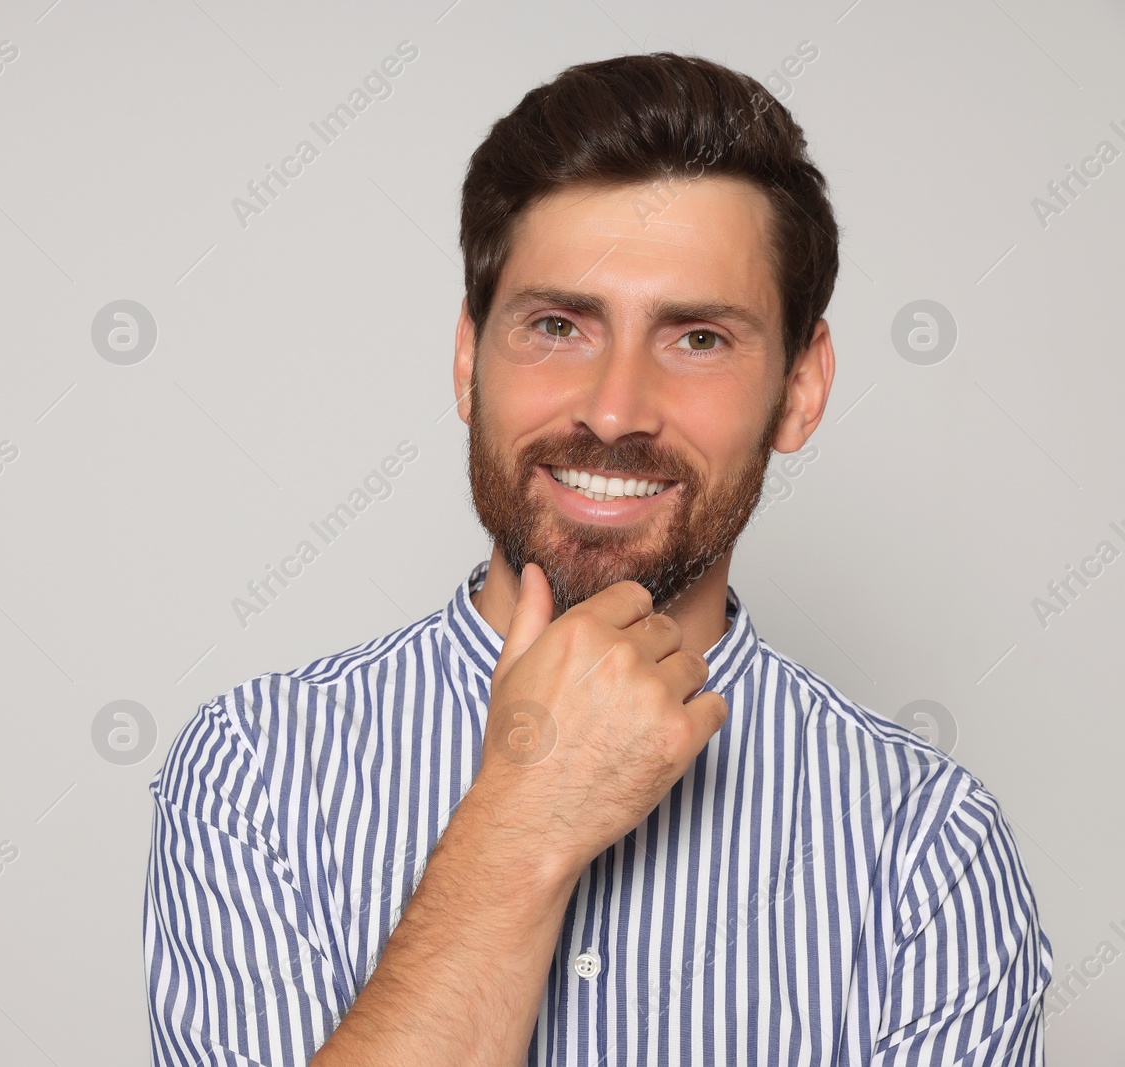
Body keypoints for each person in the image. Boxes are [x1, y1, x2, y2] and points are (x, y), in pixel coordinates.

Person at [143, 52, 1051, 1065]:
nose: (614, 410)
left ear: (799, 388)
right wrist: (523, 819)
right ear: (466, 359)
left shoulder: (928, 846)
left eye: (698, 337)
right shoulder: (258, 773)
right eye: (558, 325)